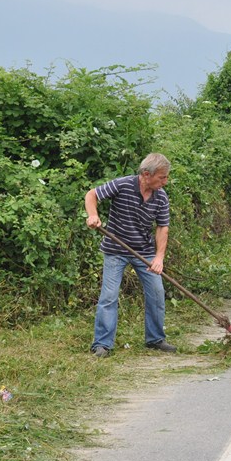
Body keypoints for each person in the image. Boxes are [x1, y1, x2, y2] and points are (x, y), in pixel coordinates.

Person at [85, 153, 176, 357]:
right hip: (115, 250)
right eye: (162, 177)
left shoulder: (161, 197)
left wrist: (159, 258)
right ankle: (102, 344)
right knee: (109, 296)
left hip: (144, 252)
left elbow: (163, 228)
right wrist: (93, 215)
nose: (165, 181)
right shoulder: (123, 185)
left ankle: (155, 339)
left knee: (156, 293)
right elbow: (92, 195)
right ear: (146, 174)